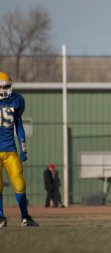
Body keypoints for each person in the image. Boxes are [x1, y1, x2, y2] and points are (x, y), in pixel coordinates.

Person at [0, 71, 39, 227]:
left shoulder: (17, 100)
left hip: (10, 150)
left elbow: (19, 125)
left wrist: (23, 147)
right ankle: (1, 217)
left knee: (20, 184)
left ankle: (25, 217)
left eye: (6, 87)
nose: (3, 90)